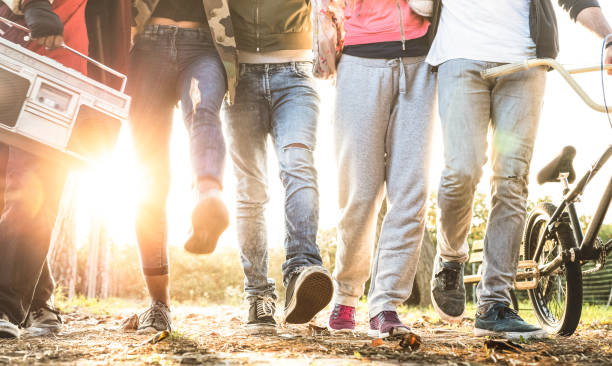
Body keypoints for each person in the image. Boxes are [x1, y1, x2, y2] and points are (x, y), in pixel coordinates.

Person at [426, 0, 612, 339]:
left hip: (526, 61)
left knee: (511, 180)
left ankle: (493, 304)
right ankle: (450, 259)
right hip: (459, 56)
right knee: (461, 171)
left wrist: (608, 37)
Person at [323, 0, 436, 339]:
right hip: (360, 60)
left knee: (411, 190)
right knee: (360, 191)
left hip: (421, 62)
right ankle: (345, 294)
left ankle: (385, 303)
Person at [224, 0, 333, 335]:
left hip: (295, 74)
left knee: (298, 164)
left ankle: (302, 268)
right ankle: (258, 295)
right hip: (238, 77)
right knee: (250, 187)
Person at [127, 0, 237, 334]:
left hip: (206, 44)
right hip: (145, 44)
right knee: (151, 170)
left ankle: (208, 197)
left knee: (202, 113)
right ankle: (158, 303)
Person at [0, 0, 88, 339]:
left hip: (59, 52)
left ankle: (6, 302)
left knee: (33, 185)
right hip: (12, 38)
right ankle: (37, 298)